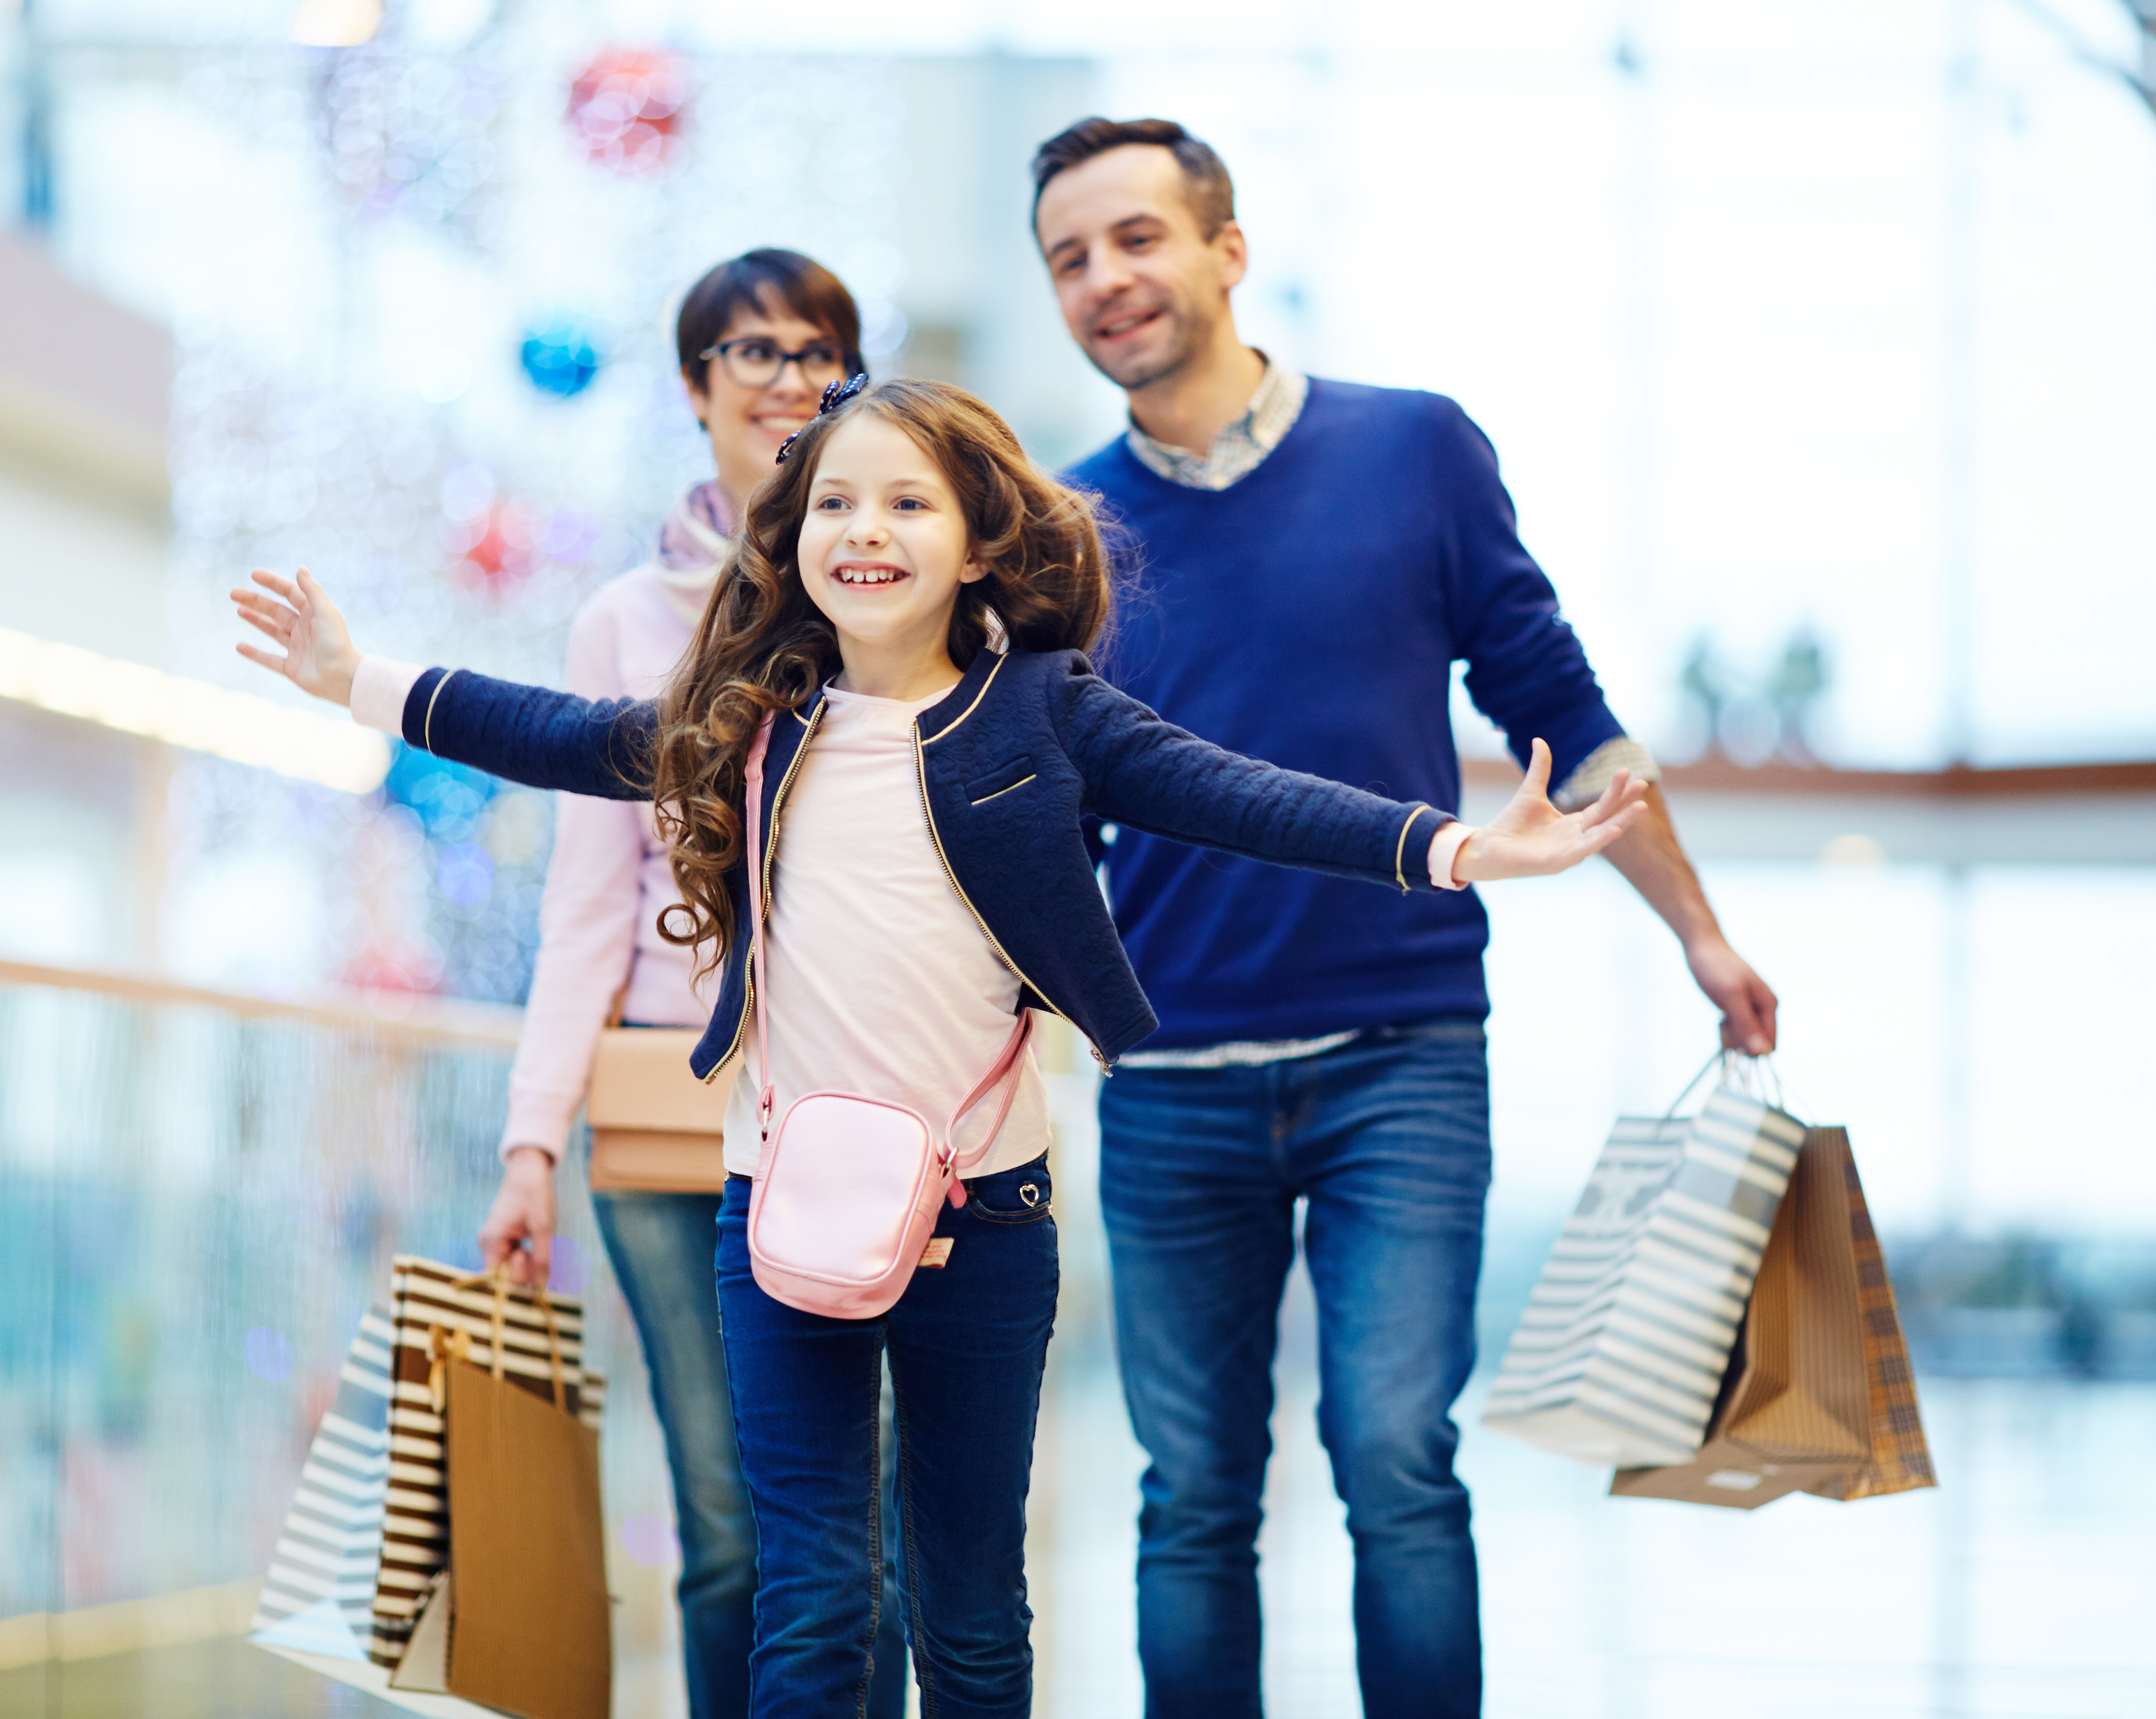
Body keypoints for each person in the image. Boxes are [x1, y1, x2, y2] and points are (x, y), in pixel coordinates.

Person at [231, 375, 1650, 1718]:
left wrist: (1458, 848)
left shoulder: (1045, 712)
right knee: (811, 1595)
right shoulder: (750, 726)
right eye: (836, 505)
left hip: (987, 1219)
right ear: (791, 549)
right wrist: (357, 677)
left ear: (978, 542)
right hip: (772, 1213)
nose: (866, 531)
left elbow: (1244, 798)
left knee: (967, 1608)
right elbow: (558, 730)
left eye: (908, 504)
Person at [1027, 117, 1782, 1719]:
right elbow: (1041, 824)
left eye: (1137, 237)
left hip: (1401, 1062)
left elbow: (1566, 721)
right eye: (1069, 258)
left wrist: (1696, 937)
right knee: (1195, 1496)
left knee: (1394, 1461)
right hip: (1170, 1083)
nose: (1105, 280)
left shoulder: (1413, 449)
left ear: (1227, 250)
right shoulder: (1057, 532)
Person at [461, 249, 904, 1719]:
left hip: (857, 1107)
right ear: (695, 387)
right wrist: (531, 1143)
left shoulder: (906, 593)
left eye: (815, 355)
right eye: (751, 354)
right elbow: (586, 907)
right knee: (724, 1526)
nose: (786, 382)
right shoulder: (624, 620)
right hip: (666, 1113)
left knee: (860, 1525)